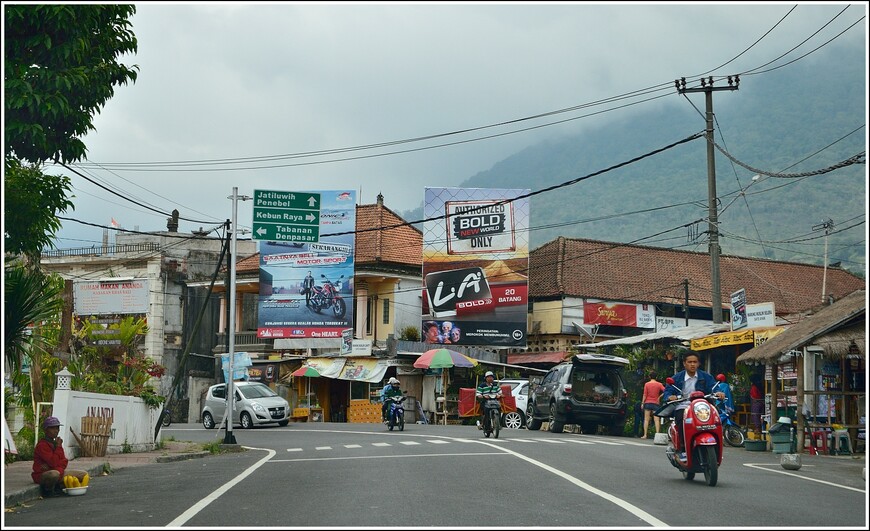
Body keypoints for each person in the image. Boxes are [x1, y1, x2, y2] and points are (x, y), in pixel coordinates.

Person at [662, 353, 724, 459]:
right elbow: (668, 391)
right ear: (684, 364)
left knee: (716, 419)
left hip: (702, 406)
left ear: (698, 363)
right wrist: (670, 397)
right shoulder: (677, 378)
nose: (692, 364)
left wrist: (719, 393)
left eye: (695, 362)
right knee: (681, 419)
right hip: (683, 406)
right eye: (689, 362)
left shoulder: (706, 376)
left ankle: (716, 447)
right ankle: (682, 448)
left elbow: (714, 387)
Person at [32, 416, 87, 498]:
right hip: (42, 475)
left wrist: (55, 466)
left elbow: (64, 461)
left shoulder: (57, 443)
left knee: (83, 474)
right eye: (52, 428)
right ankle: (47, 491)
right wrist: (55, 465)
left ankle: (59, 486)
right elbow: (53, 462)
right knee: (54, 474)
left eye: (57, 428)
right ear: (46, 430)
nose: (56, 431)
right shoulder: (42, 445)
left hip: (58, 472)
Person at [641, 371, 665, 439]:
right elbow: (665, 391)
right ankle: (657, 434)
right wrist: (659, 397)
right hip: (655, 403)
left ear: (649, 377)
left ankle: (645, 434)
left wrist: (642, 403)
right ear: (656, 377)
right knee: (657, 420)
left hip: (647, 403)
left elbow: (645, 394)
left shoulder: (647, 384)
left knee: (646, 419)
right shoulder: (659, 384)